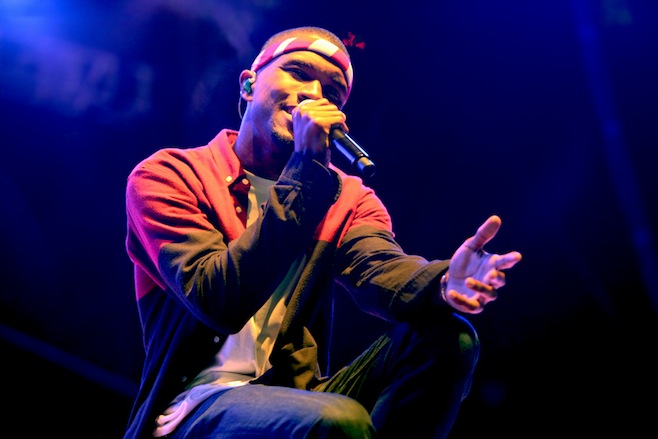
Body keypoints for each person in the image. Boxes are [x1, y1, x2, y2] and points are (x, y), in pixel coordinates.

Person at [123, 25, 522, 439]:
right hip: (194, 407)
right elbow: (217, 299)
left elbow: (381, 272)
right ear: (248, 85)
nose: (314, 95)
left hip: (296, 398)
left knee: (450, 339)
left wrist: (442, 281)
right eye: (298, 72)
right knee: (337, 420)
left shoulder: (347, 198)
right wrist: (306, 170)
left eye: (332, 92)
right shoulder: (171, 176)